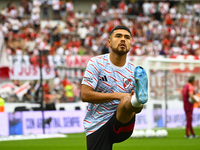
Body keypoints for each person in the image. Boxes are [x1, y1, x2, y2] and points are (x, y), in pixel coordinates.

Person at [81, 25, 148, 150]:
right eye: (118, 36)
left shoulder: (134, 71)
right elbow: (85, 95)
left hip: (122, 123)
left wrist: (137, 103)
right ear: (109, 42)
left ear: (130, 44)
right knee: (124, 98)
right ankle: (134, 99)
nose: (123, 39)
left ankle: (137, 99)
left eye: (127, 37)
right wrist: (118, 95)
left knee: (126, 101)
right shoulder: (96, 63)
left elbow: (138, 111)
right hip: (97, 123)